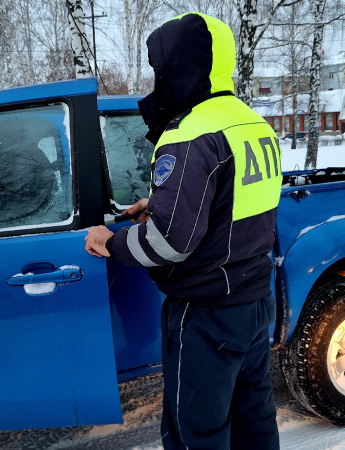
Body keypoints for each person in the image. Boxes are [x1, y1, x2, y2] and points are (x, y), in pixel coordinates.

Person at [84, 12, 283, 450]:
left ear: (181, 64)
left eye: (162, 66)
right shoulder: (252, 123)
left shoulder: (189, 133)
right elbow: (231, 205)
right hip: (253, 301)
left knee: (196, 432)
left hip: (206, 313)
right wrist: (158, 204)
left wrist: (110, 242)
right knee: (254, 421)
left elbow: (169, 241)